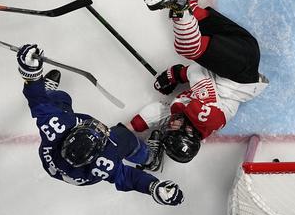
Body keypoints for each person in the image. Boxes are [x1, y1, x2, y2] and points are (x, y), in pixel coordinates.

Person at [129, 0, 268, 164]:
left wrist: (132, 126)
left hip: (233, 58)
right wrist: (177, 74)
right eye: (175, 129)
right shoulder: (207, 120)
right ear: (190, 133)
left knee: (193, 16)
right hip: (240, 67)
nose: (170, 125)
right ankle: (179, 5)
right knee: (188, 48)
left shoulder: (191, 118)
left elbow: (160, 111)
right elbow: (197, 73)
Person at [17, 44, 184, 206]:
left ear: (71, 135)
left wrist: (32, 76)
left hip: (57, 161)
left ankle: (49, 93)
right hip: (76, 171)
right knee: (124, 137)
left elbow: (38, 103)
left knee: (59, 99)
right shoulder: (102, 163)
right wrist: (152, 187)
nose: (99, 127)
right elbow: (127, 177)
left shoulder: (56, 127)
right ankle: (150, 158)